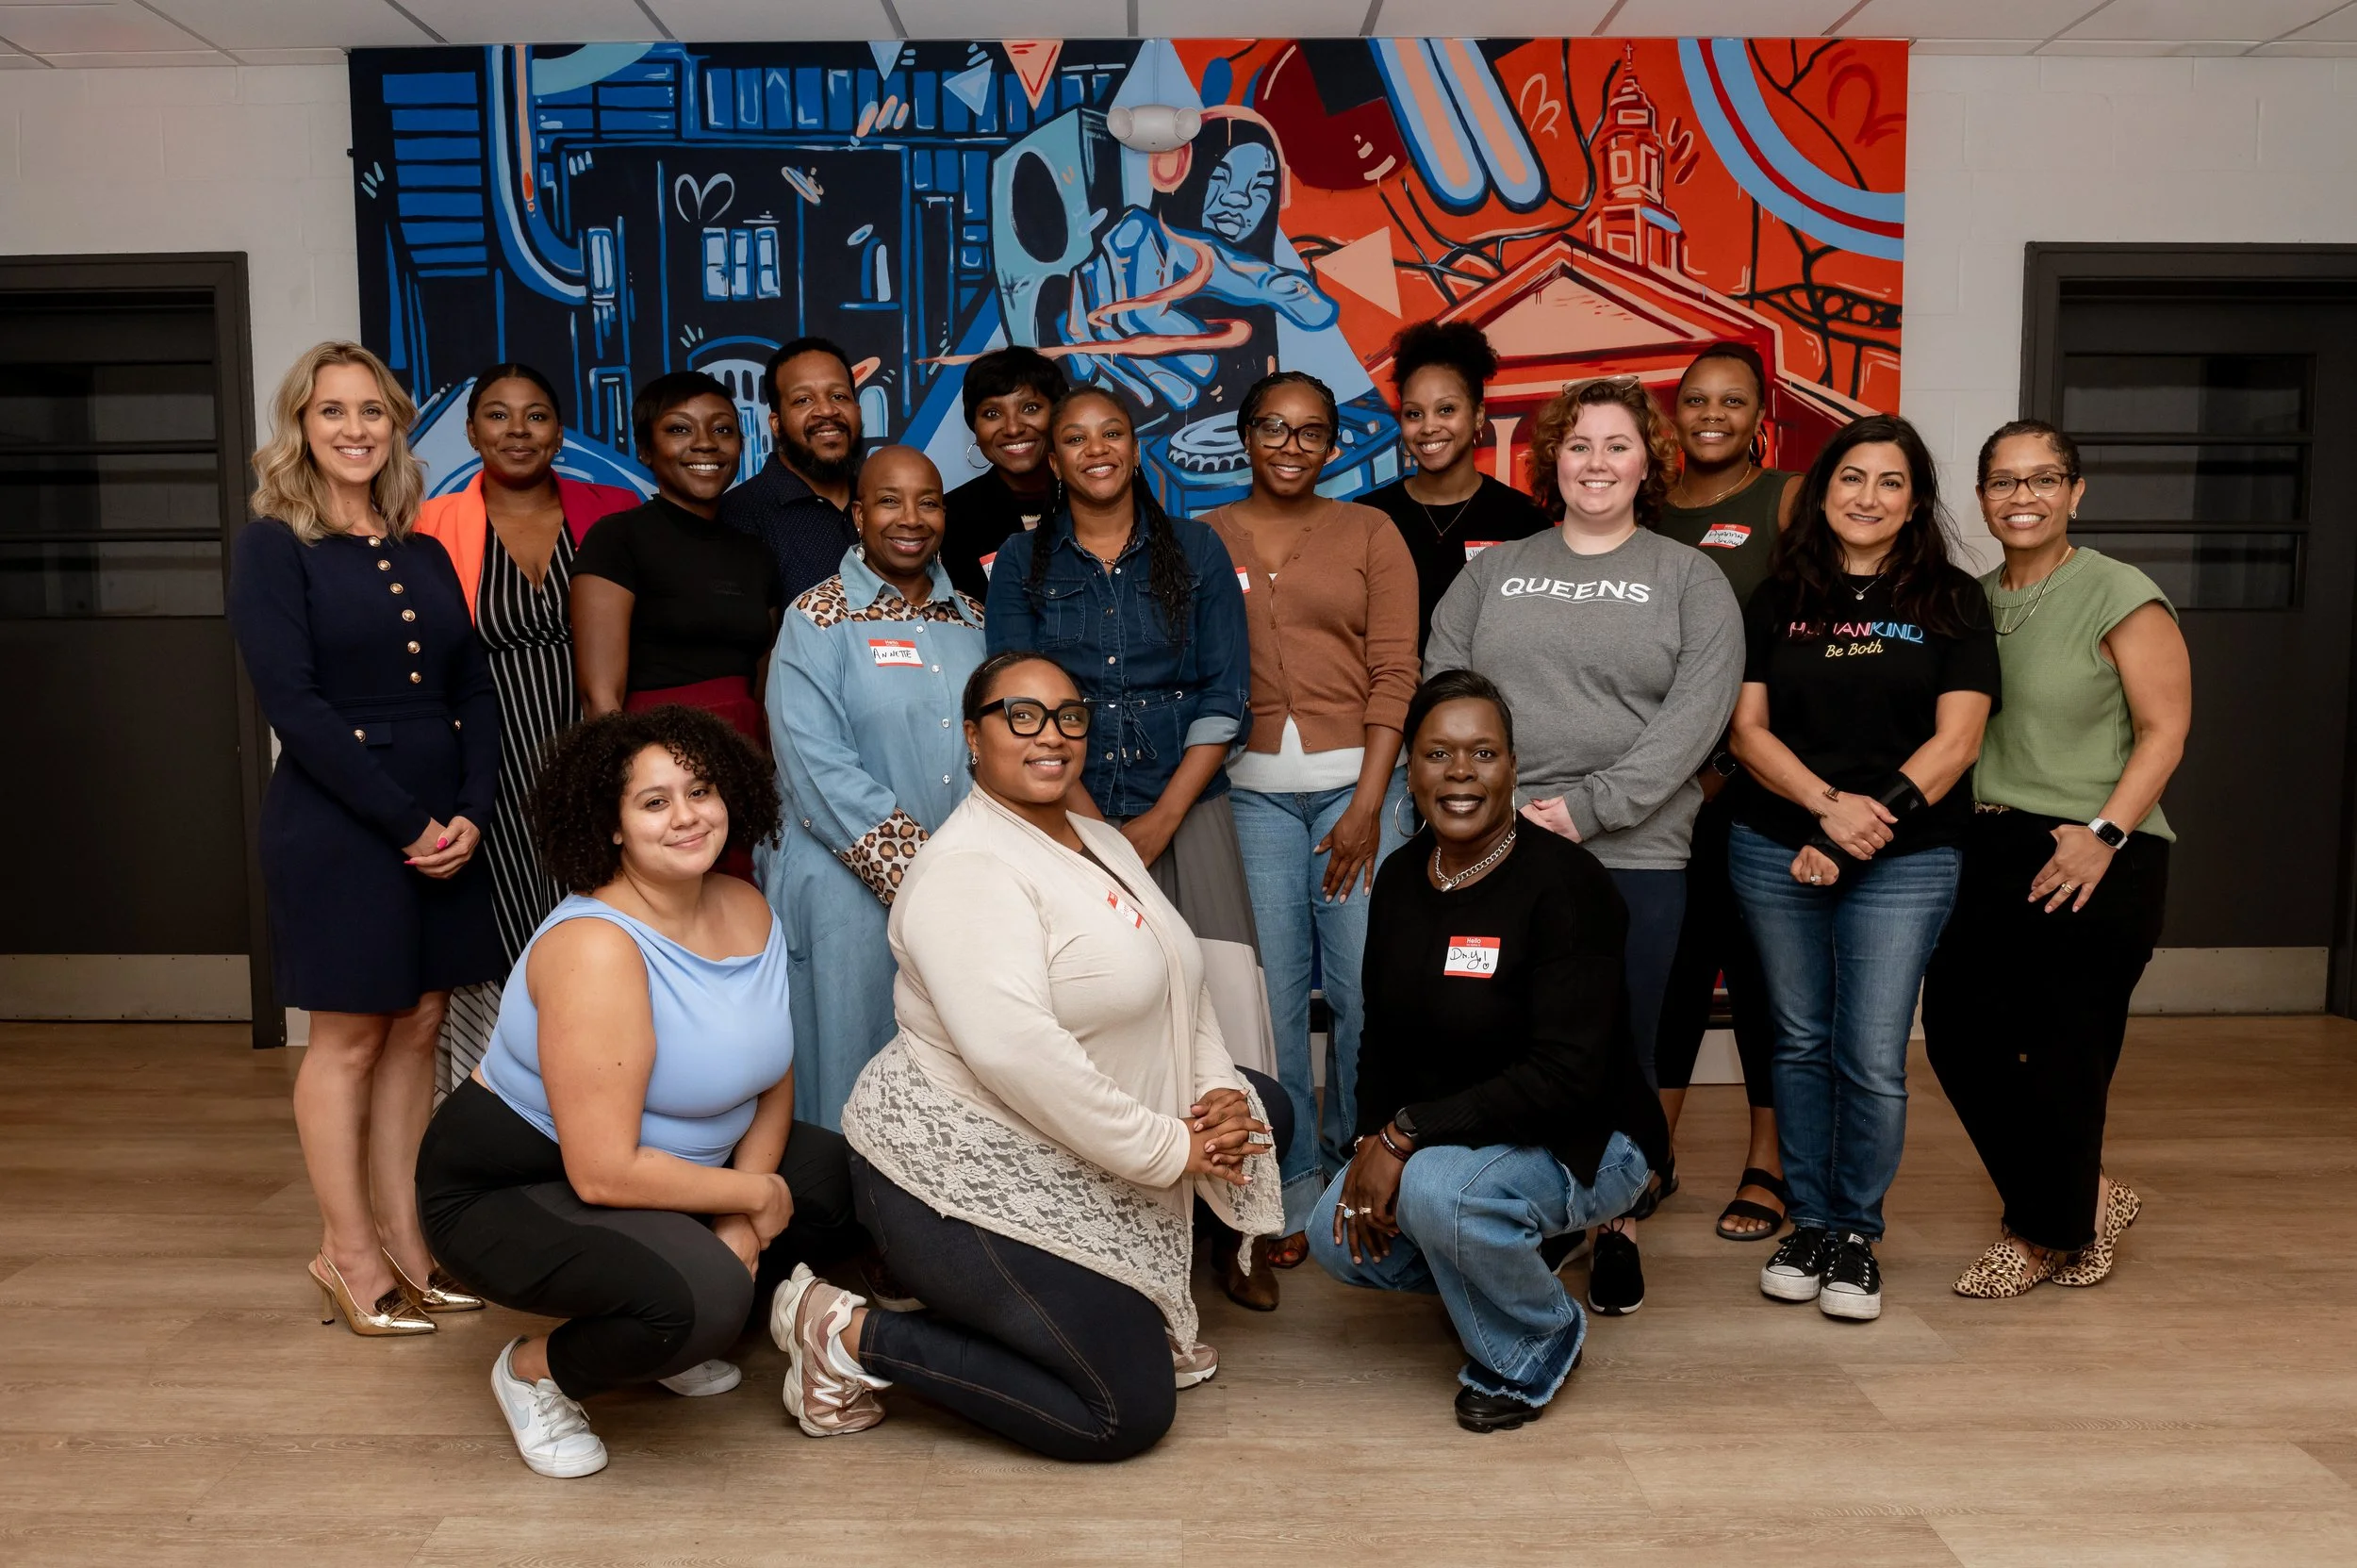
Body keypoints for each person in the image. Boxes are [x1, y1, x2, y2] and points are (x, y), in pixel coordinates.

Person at [810, 651, 1285, 1461]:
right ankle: (845, 1333)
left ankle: (1097, 1301)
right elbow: (1017, 1054)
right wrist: (1174, 1145)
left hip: (1088, 1139)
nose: (1051, 735)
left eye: (1069, 715)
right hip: (959, 1166)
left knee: (1271, 1106)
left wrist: (1216, 1092)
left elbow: (1183, 976)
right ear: (973, 735)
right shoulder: (967, 868)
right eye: (1020, 715)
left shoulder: (1100, 838)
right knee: (1123, 1410)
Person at [417, 706, 868, 1478]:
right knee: (707, 1297)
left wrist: (743, 1211)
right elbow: (602, 1171)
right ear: (613, 825)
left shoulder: (746, 906)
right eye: (654, 802)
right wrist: (754, 1201)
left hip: (670, 1165)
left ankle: (669, 1315)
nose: (688, 816)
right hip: (520, 1183)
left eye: (700, 790)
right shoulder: (596, 947)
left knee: (843, 1178)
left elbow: (771, 1076)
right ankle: (535, 1370)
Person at [1426, 375, 1742, 1317]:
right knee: (1504, 1038)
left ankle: (1619, 1221)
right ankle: (1523, 1209)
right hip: (1497, 847)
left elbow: (1697, 717)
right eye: (1577, 445)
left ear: (1649, 462)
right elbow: (1446, 688)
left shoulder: (1689, 577)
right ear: (1549, 460)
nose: (1595, 463)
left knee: (1623, 1041)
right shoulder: (1493, 569)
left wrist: (1589, 808)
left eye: (1616, 445)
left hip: (1635, 848)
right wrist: (1488, 810)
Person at [984, 387, 1282, 1309]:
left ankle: (1240, 1228)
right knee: (1094, 1010)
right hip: (1064, 811)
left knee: (1224, 1008)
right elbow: (1016, 703)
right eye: (1072, 437)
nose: (1094, 449)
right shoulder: (1022, 564)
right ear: (1052, 457)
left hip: (1186, 801)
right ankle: (1103, 1223)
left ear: (1134, 445)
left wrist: (1158, 820)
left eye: (1110, 431)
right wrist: (1088, 823)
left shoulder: (1193, 550)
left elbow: (1224, 697)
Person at [227, 340, 502, 1336]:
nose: (354, 429)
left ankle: (410, 1241)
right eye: (331, 411)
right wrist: (408, 819)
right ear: (299, 425)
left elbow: (473, 682)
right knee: (349, 1037)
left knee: (421, 1024)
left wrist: (471, 805)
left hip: (444, 814)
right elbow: (292, 705)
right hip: (340, 820)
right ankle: (347, 1254)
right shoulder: (272, 544)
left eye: (372, 412)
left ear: (395, 426)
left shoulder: (423, 548)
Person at [1310, 670, 1669, 1432]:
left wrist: (1406, 1137)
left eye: (1483, 752)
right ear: (1411, 768)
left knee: (1438, 1192)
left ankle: (1541, 1337)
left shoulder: (1568, 886)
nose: (1461, 771)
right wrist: (1374, 1137)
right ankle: (1504, 1255)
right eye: (1439, 753)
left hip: (1587, 1136)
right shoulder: (1405, 876)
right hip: (1458, 1133)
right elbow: (1380, 1034)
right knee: (1333, 1231)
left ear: (1513, 766)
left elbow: (1567, 1074)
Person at [1726, 413, 1998, 1324]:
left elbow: (1956, 743)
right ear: (1823, 491)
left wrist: (1853, 831)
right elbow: (1747, 731)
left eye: (1890, 482)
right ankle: (1807, 1220)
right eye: (1852, 478)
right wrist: (1823, 808)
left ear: (1915, 500)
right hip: (1777, 841)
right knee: (1798, 1038)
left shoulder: (1953, 599)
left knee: (1873, 1052)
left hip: (1908, 856)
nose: (1868, 497)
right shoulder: (1776, 598)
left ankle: (1855, 1233)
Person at [1924, 421, 2190, 1297]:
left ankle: (2039, 1232)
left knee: (2069, 1048)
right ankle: (2087, 1196)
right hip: (1992, 843)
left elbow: (2165, 730)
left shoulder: (2121, 592)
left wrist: (2104, 832)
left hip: (2100, 844)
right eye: (2003, 482)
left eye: (2043, 480)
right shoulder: (1969, 599)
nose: (2023, 497)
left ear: (2077, 491)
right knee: (1961, 1035)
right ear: (1981, 497)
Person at [1203, 370, 1419, 1277]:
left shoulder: (1371, 531)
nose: (1291, 446)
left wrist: (1370, 802)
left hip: (1357, 791)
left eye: (1311, 431)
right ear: (1245, 435)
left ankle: (1357, 1161)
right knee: (1274, 998)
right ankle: (1290, 1181)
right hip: (1249, 790)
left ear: (1334, 444)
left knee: (1370, 990)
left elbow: (1397, 668)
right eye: (1273, 428)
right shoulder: (1202, 536)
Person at [414, 363, 640, 1091]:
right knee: (500, 930)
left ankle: (597, 1099)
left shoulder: (612, 509)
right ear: (472, 431)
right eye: (499, 416)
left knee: (594, 921)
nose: (518, 431)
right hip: (484, 765)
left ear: (560, 430)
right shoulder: (430, 523)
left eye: (536, 415)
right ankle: (503, 1107)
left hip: (591, 758)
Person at [764, 446, 988, 1131]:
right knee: (854, 1065)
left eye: (929, 500)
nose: (910, 518)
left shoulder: (976, 621)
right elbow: (814, 767)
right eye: (889, 500)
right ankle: (847, 1224)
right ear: (858, 514)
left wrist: (967, 874)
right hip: (844, 881)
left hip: (966, 882)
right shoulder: (817, 618)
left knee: (962, 1059)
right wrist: (925, 874)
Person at [1651, 341, 1805, 1242]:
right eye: (1696, 399)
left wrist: (1737, 762)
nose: (1713, 415)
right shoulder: (1647, 507)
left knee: (1757, 979)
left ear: (1761, 414)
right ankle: (1654, 1154)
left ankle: (1767, 1163)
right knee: (1669, 970)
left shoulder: (1787, 500)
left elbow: (1804, 638)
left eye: (1733, 402)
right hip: (1660, 789)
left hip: (1757, 781)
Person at [572, 371, 783, 875]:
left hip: (744, 764)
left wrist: (764, 774)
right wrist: (630, 797)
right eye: (680, 429)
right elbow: (601, 699)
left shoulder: (755, 554)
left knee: (739, 911)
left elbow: (766, 681)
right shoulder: (618, 538)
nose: (705, 443)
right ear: (645, 450)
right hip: (660, 770)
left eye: (723, 429)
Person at [1360, 321, 1550, 652]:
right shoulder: (1367, 517)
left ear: (1478, 415)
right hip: (1393, 700)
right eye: (1414, 413)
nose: (1429, 427)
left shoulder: (1525, 522)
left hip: (1492, 700)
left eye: (1446, 410)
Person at [717, 336, 864, 602]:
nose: (827, 410)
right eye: (803, 400)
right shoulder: (738, 517)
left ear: (857, 410)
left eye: (839, 396)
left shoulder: (883, 501)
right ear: (776, 424)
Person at [940, 346, 1067, 599]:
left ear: (1058, 415)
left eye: (1030, 408)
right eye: (992, 413)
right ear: (974, 427)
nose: (1012, 428)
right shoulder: (949, 518)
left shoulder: (1095, 501)